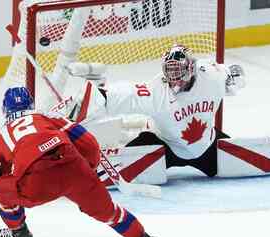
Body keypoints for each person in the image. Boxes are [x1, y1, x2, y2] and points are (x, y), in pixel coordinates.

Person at [0, 86, 164, 237]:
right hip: (74, 168)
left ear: (5, 109)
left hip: (38, 184)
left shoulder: (3, 134)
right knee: (109, 211)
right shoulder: (49, 117)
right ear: (31, 104)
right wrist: (88, 171)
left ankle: (18, 231)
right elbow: (89, 143)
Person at [60, 44, 245, 183]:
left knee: (240, 170)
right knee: (135, 149)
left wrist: (234, 78)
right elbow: (111, 96)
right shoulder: (155, 92)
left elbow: (237, 76)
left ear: (191, 68)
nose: (174, 79)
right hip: (163, 148)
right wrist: (83, 103)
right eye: (170, 72)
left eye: (178, 71)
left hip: (207, 145)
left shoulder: (212, 76)